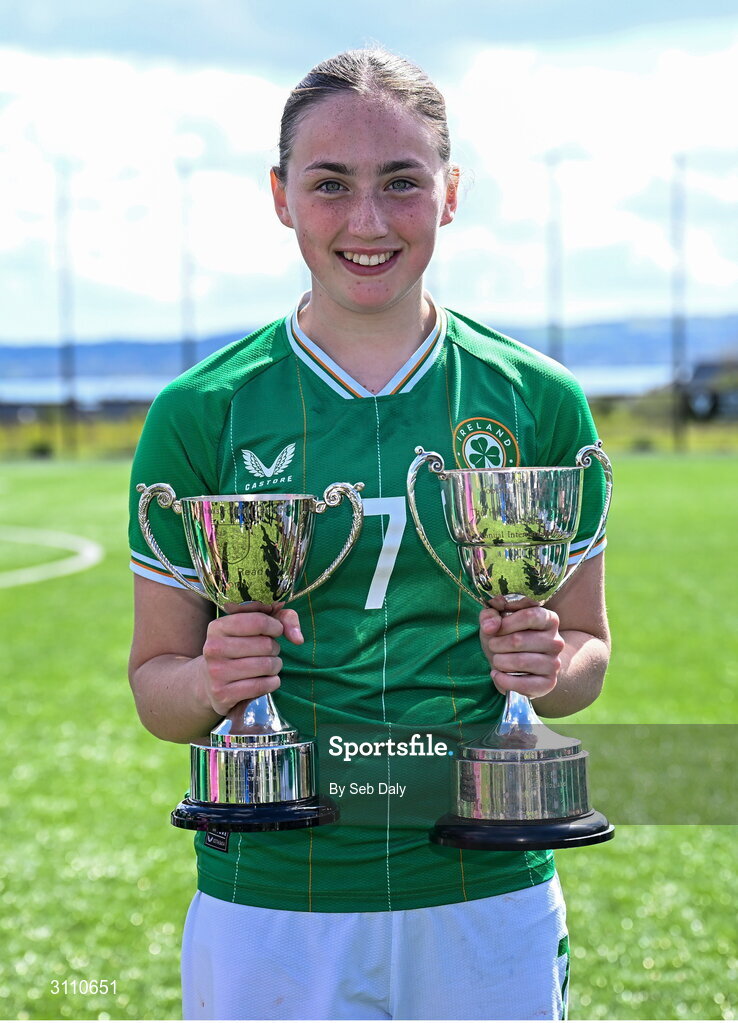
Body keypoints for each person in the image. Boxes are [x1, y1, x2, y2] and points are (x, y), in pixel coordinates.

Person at [128, 48, 611, 1021]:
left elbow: (588, 655)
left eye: (402, 183)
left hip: (484, 886)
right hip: (272, 900)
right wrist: (214, 682)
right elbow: (156, 687)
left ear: (451, 192)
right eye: (330, 185)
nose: (368, 222)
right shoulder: (202, 411)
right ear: (280, 196)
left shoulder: (541, 401)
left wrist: (545, 666)